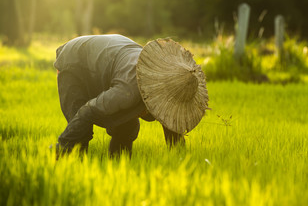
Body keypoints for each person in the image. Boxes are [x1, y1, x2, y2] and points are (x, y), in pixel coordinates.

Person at [54, 34, 209, 158]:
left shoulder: (167, 85)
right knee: (81, 134)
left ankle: (116, 169)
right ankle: (57, 159)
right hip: (75, 62)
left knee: (127, 126)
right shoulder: (128, 90)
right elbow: (87, 112)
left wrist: (181, 162)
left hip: (110, 57)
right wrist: (61, 147)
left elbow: (173, 134)